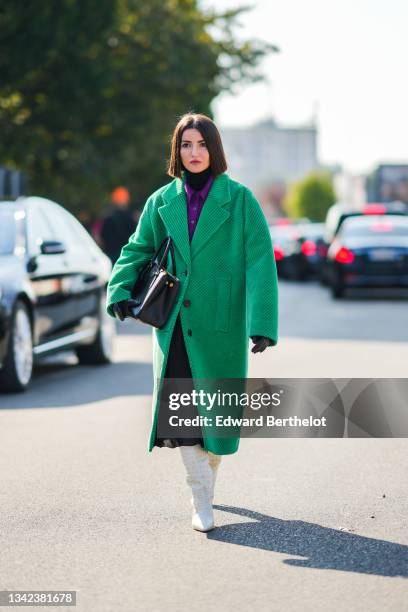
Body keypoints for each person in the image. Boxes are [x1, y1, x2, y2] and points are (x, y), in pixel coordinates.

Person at [106, 113, 278, 533]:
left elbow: (260, 262)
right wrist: (119, 290)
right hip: (173, 322)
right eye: (186, 144)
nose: (194, 152)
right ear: (176, 150)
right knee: (181, 414)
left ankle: (207, 481)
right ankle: (200, 497)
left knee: (215, 418)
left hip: (221, 322)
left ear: (214, 149)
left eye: (201, 144)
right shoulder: (160, 201)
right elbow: (137, 248)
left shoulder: (240, 200)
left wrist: (262, 323)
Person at [100, 186, 135, 264]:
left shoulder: (108, 217)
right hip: (127, 254)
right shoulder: (130, 217)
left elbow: (103, 235)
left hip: (111, 254)